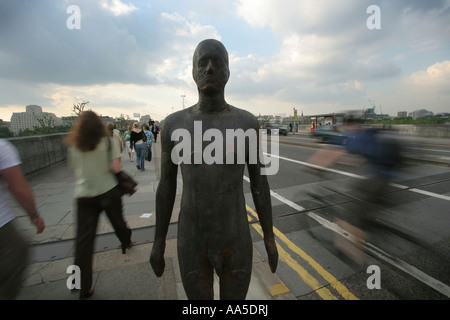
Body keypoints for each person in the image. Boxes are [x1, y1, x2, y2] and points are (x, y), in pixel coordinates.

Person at [150, 39, 278, 300]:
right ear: (192, 71)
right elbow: (166, 186)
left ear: (228, 72)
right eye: (202, 63)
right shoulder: (174, 125)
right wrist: (158, 241)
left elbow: (259, 185)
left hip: (236, 238)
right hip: (191, 239)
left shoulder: (246, 123)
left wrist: (269, 237)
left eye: (216, 63)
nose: (209, 69)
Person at [65, 111, 133, 299]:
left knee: (83, 243)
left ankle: (80, 286)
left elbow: (74, 168)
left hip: (84, 195)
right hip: (108, 191)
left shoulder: (74, 146)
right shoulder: (108, 142)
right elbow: (116, 168)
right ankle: (126, 241)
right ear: (99, 125)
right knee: (118, 222)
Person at [0, 139, 45, 299]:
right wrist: (34, 215)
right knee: (17, 252)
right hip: (2, 223)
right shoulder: (2, 147)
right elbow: (18, 188)